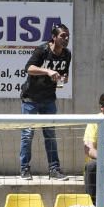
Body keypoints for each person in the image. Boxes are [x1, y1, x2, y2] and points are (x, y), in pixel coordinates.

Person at [18, 23, 70, 180]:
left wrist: (63, 78)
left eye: (67, 36)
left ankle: (54, 170)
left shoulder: (67, 54)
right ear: (53, 37)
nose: (66, 39)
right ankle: (24, 169)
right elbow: (29, 68)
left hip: (48, 99)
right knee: (27, 134)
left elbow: (63, 74)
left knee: (50, 135)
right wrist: (47, 71)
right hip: (31, 99)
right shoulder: (42, 50)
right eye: (62, 36)